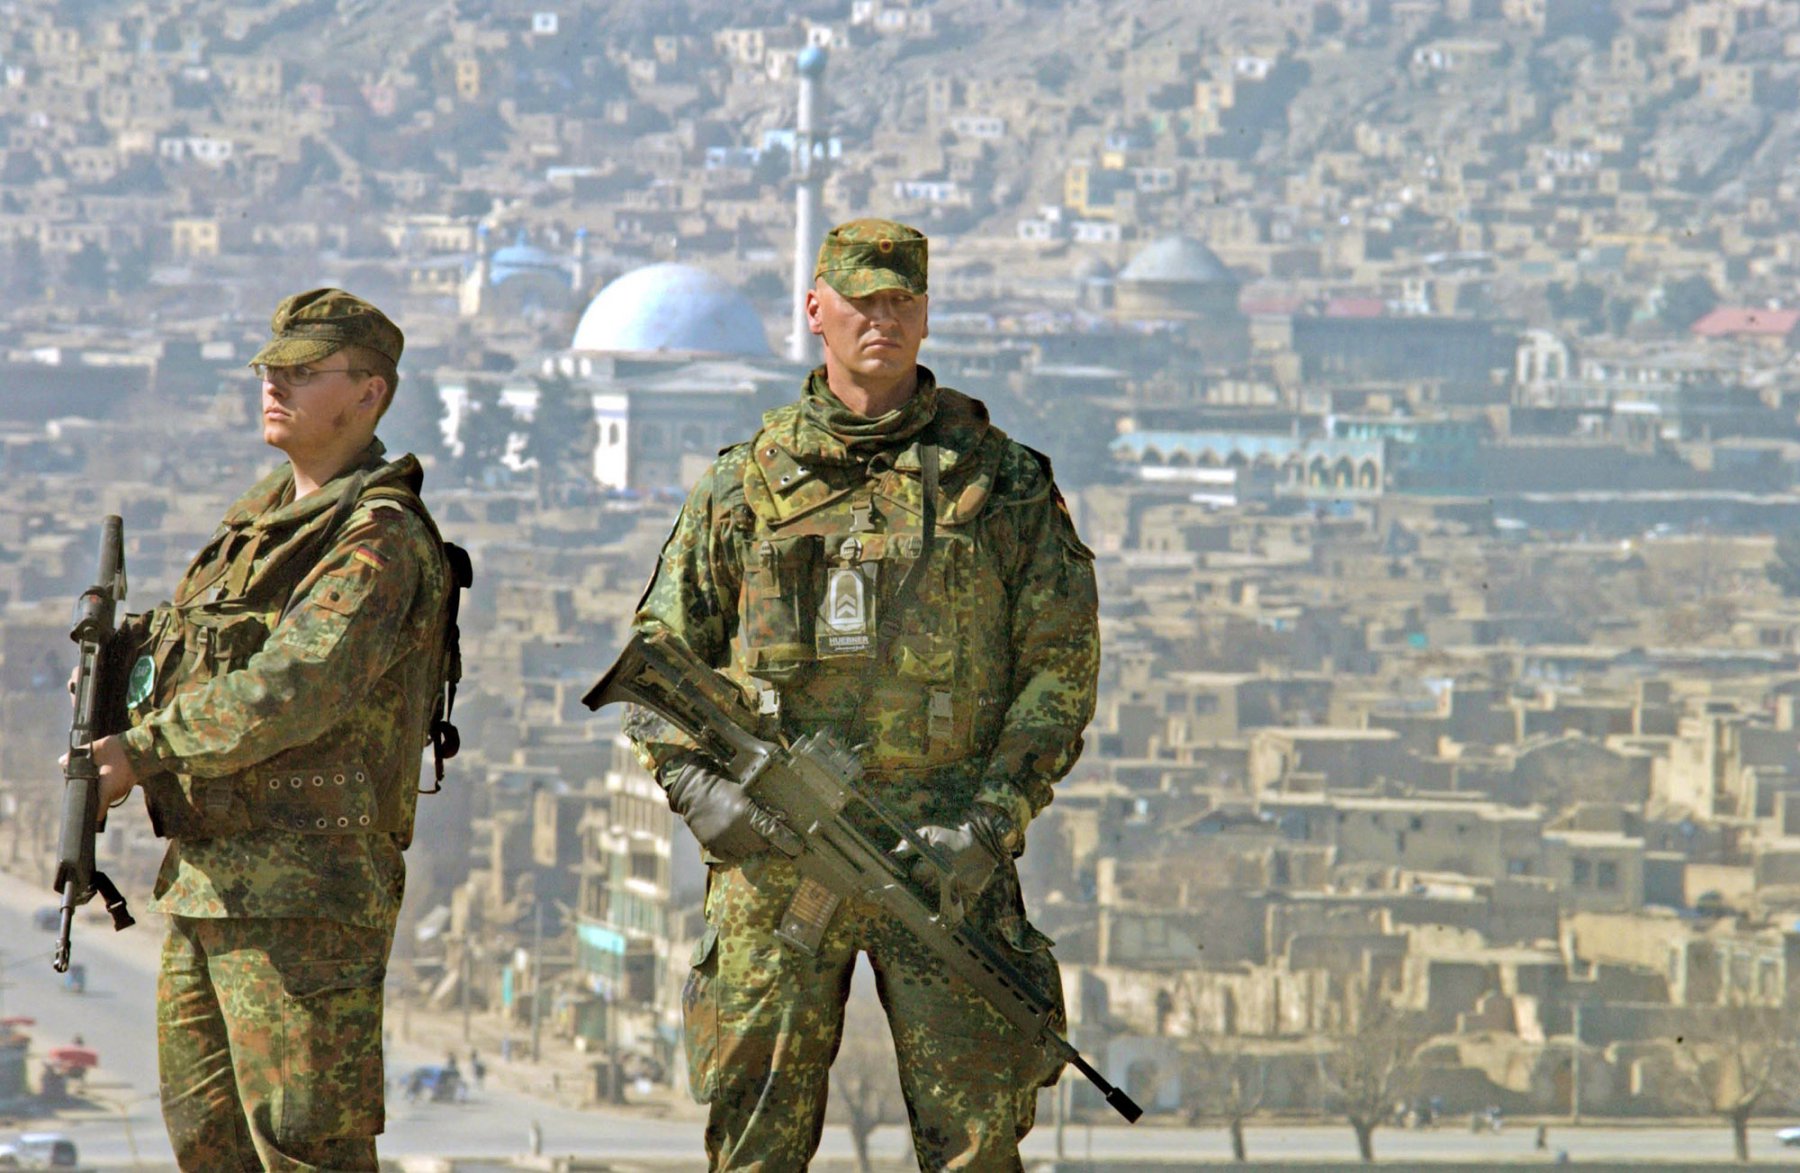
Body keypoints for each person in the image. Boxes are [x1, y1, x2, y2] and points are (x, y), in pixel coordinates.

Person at [623, 219, 1099, 1170]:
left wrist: (989, 821)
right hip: (778, 851)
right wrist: (698, 788)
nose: (881, 318)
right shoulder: (744, 486)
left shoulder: (1000, 483)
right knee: (755, 1141)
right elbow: (659, 658)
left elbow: (1060, 667)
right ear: (815, 310)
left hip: (940, 857)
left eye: (900, 300)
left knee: (975, 1141)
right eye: (860, 299)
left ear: (925, 315)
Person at [80, 289, 453, 1171]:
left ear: (369, 392)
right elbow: (191, 662)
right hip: (208, 881)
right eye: (270, 371)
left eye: (303, 372)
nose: (274, 387)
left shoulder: (378, 537)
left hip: (307, 897)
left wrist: (142, 750)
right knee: (208, 1146)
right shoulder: (254, 531)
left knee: (303, 1149)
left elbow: (294, 686)